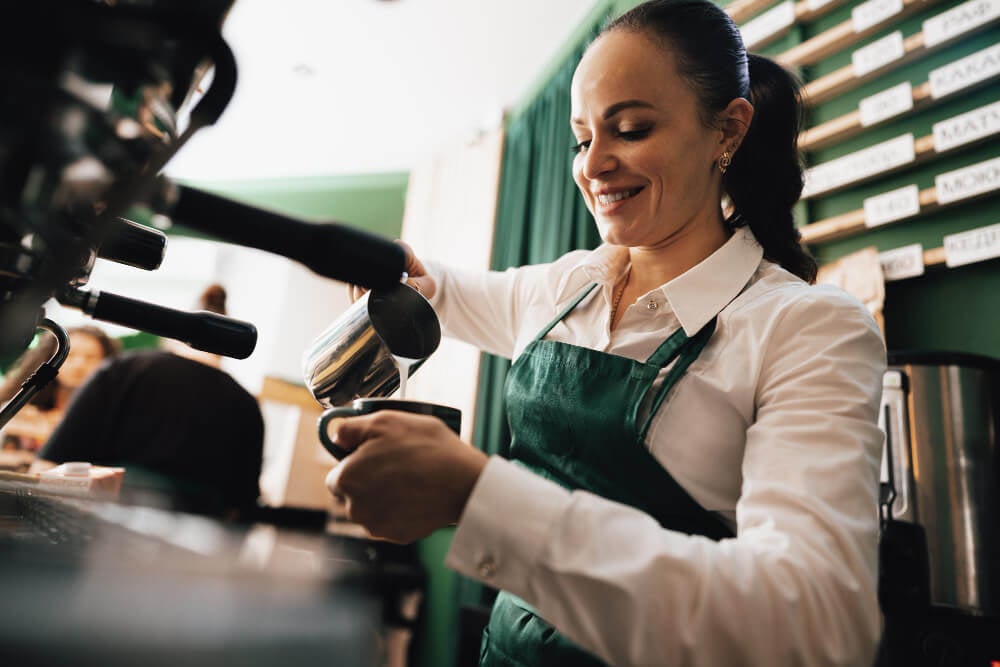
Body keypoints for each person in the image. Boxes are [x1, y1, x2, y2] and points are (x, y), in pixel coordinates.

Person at [326, 1, 887, 665]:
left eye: (631, 128)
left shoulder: (806, 328)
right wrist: (393, 271)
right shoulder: (571, 287)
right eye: (582, 138)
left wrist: (479, 496)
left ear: (726, 131)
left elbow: (816, 624)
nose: (593, 166)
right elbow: (442, 290)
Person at [34, 284, 265, 518]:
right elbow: (239, 509)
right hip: (190, 547)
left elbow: (46, 469)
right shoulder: (246, 404)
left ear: (173, 331)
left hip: (97, 533)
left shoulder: (123, 370)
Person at [1, 325, 120, 452]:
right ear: (50, 359)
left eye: (90, 357)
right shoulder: (21, 405)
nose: (78, 365)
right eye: (70, 355)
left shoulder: (114, 414)